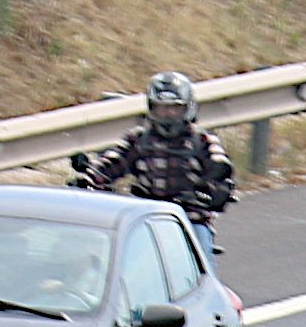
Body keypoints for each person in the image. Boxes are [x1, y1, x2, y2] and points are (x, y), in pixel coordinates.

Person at [73, 71, 238, 221]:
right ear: (151, 107)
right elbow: (112, 163)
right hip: (146, 221)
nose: (168, 114)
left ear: (188, 108)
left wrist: (219, 192)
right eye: (161, 108)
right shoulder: (138, 139)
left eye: (174, 108)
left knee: (200, 251)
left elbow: (221, 171)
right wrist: (88, 178)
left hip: (191, 221)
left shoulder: (202, 140)